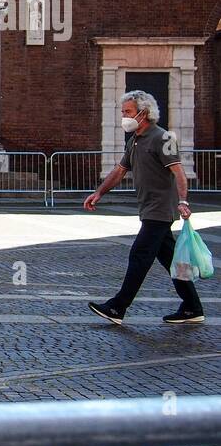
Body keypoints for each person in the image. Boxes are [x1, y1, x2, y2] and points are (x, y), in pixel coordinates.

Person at [84, 90, 204, 324]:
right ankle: (192, 306)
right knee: (171, 258)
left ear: (144, 113)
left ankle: (118, 307)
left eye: (127, 112)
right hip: (149, 208)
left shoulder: (164, 138)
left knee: (139, 254)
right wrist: (99, 192)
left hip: (160, 210)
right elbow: (119, 171)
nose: (124, 117)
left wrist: (183, 200)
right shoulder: (134, 140)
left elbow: (178, 171)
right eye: (122, 112)